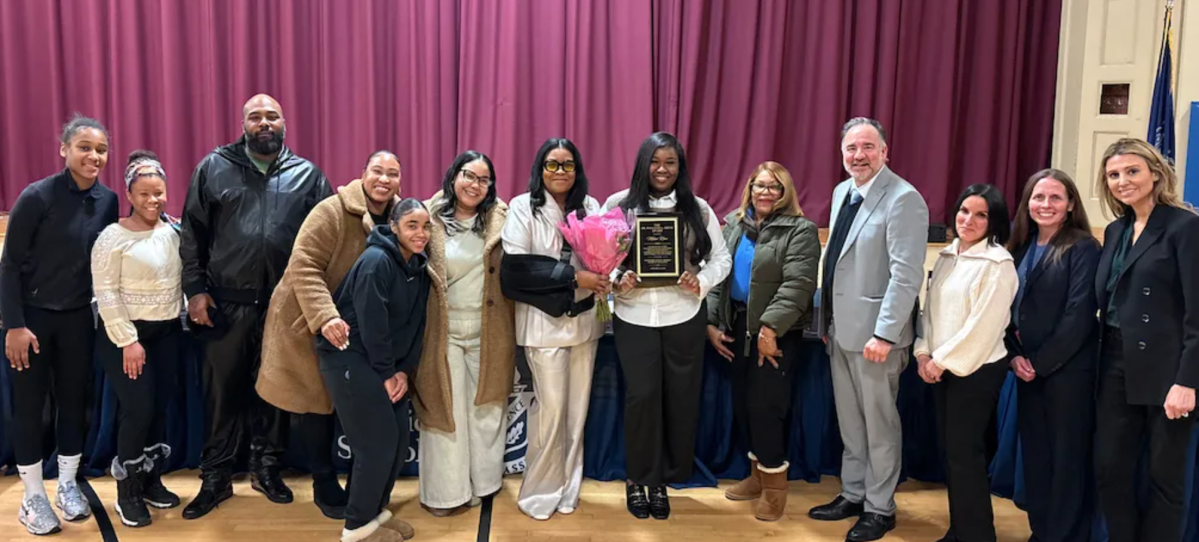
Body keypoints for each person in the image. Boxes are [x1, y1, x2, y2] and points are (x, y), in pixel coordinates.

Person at [180, 94, 333, 519]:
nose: (263, 123)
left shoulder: (309, 176)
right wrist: (194, 289)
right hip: (224, 305)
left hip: (284, 309)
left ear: (285, 123)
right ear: (243, 123)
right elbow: (191, 233)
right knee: (221, 394)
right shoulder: (213, 168)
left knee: (275, 392)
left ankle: (266, 469)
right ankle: (215, 478)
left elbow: (325, 240)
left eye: (271, 116)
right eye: (255, 117)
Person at [256, 151, 402, 520]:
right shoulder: (331, 211)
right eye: (377, 171)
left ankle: (358, 483)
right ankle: (322, 480)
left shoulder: (401, 217)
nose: (384, 180)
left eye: (393, 174)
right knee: (316, 402)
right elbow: (303, 265)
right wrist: (325, 316)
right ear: (363, 173)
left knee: (351, 403)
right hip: (306, 318)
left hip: (356, 326)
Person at [810, 117, 928, 542]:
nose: (858, 156)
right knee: (852, 422)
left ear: (885, 152)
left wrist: (884, 334)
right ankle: (854, 492)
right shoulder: (844, 191)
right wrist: (825, 321)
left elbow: (905, 276)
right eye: (850, 149)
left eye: (867, 147)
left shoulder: (903, 199)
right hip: (841, 330)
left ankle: (880, 507)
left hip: (878, 338)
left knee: (879, 425)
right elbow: (838, 262)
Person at [2, 114, 119, 535]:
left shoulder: (108, 201)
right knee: (31, 407)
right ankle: (32, 495)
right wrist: (14, 325)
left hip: (76, 320)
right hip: (30, 323)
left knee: (74, 403)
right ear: (64, 150)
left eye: (101, 149)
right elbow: (10, 265)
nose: (93, 156)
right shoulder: (37, 197)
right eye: (84, 147)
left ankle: (68, 484)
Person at [605, 132, 731, 520]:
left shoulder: (699, 209)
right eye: (655, 161)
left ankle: (659, 479)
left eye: (670, 162)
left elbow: (721, 259)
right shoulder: (618, 205)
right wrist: (615, 278)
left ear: (681, 167)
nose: (662, 169)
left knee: (678, 398)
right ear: (643, 163)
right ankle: (636, 479)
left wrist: (702, 281)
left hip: (682, 315)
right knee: (641, 397)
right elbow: (597, 258)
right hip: (634, 314)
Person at [1094, 138, 1199, 542]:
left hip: (1168, 371)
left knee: (1164, 479)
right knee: (1109, 470)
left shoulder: (1185, 226)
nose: (1123, 181)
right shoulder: (1116, 230)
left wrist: (1187, 381)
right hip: (1115, 364)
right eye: (1114, 175)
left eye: (1132, 171)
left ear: (1155, 173)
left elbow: (1197, 311)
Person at [706, 161, 820, 521]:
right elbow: (719, 274)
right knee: (743, 404)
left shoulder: (801, 230)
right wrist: (711, 321)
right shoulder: (733, 226)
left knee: (767, 407)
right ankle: (756, 476)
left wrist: (770, 330)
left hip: (776, 332)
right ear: (749, 190)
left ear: (786, 193)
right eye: (760, 186)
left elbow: (798, 285)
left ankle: (775, 487)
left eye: (774, 187)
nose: (766, 193)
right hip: (737, 325)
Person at [503, 139, 607, 521]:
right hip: (543, 325)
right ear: (540, 169)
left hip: (584, 321)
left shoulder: (591, 207)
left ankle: (568, 487)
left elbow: (603, 252)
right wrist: (574, 275)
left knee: (576, 413)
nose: (560, 172)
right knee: (551, 412)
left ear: (577, 169)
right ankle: (539, 492)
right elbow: (518, 265)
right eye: (552, 165)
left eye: (567, 165)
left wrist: (606, 272)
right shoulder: (521, 206)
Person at [317, 198, 430, 542]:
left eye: (426, 226)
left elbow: (415, 325)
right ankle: (356, 528)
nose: (421, 233)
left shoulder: (418, 267)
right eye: (412, 225)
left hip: (385, 365)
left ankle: (375, 514)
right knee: (375, 446)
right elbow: (371, 323)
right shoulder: (375, 261)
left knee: (396, 444)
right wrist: (385, 373)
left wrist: (404, 371)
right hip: (350, 358)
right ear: (393, 227)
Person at [914, 184, 1018, 542]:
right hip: (942, 367)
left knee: (966, 455)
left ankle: (976, 535)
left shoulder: (999, 264)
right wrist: (923, 352)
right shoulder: (946, 257)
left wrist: (940, 360)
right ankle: (960, 529)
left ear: (994, 222)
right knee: (953, 454)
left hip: (976, 371)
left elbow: (983, 328)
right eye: (963, 211)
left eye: (980, 214)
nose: (968, 220)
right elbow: (931, 312)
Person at [415, 151, 515, 516]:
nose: (474, 185)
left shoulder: (503, 220)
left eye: (483, 179)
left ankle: (484, 484)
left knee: (487, 407)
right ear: (454, 176)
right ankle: (445, 494)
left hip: (490, 328)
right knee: (445, 411)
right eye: (468, 175)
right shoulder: (426, 218)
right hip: (442, 329)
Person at [90, 150, 185, 527]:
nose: (152, 200)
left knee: (159, 408)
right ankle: (126, 491)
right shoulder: (112, 237)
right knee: (138, 409)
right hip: (127, 336)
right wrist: (128, 340)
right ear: (129, 195)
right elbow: (106, 293)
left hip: (166, 332)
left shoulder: (174, 231)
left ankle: (150, 480)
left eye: (158, 192)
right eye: (144, 194)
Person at [1005, 169, 1099, 542]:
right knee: (1038, 458)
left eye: (1055, 198)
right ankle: (1041, 531)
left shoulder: (1082, 247)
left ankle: (1064, 535)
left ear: (1071, 204)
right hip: (1025, 370)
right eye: (1038, 197)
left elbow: (1079, 315)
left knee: (1066, 460)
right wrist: (1014, 357)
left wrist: (1040, 364)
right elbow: (1006, 311)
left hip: (1068, 373)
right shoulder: (1020, 247)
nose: (1045, 205)